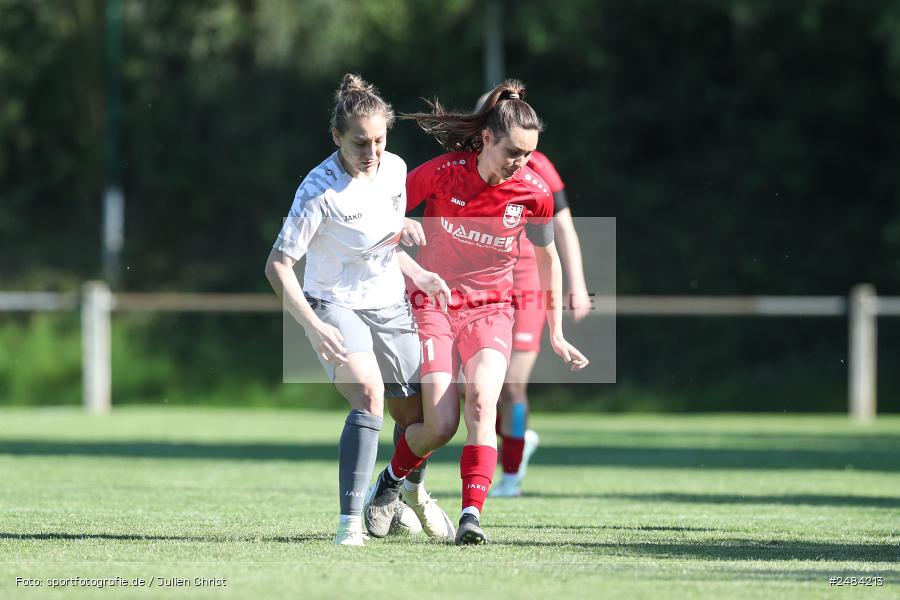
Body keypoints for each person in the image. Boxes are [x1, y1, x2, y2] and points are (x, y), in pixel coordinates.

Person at [363, 79, 589, 545]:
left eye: (529, 154)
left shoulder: (534, 192)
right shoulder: (443, 173)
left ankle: (471, 516)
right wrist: (400, 221)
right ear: (486, 138)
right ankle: (390, 482)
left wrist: (557, 331)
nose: (521, 163)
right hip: (433, 305)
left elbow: (547, 259)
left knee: (484, 405)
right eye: (513, 152)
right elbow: (380, 206)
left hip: (491, 310)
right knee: (440, 425)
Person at [264, 74, 455, 546]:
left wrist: (418, 272)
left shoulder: (395, 169)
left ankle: (403, 492)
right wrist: (313, 324)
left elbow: (381, 242)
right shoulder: (318, 190)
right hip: (334, 304)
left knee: (421, 419)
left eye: (379, 140)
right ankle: (349, 523)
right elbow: (277, 265)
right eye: (359, 142)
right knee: (369, 395)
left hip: (389, 302)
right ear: (336, 137)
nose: (372, 152)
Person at [490, 148, 591, 498]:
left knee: (512, 386)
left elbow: (564, 228)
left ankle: (511, 476)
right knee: (473, 386)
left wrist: (577, 284)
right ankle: (518, 440)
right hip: (486, 281)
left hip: (527, 282)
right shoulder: (474, 159)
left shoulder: (539, 165)